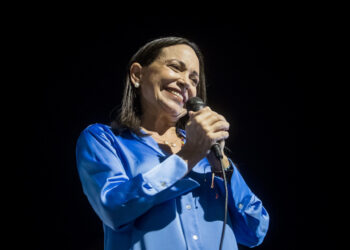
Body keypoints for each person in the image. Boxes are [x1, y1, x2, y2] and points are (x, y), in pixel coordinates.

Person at [76, 36, 269, 250]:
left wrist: (221, 166)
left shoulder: (205, 149)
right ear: (137, 74)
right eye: (176, 68)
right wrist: (187, 157)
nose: (186, 82)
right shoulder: (104, 140)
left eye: (194, 80)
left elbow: (255, 230)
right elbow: (113, 208)